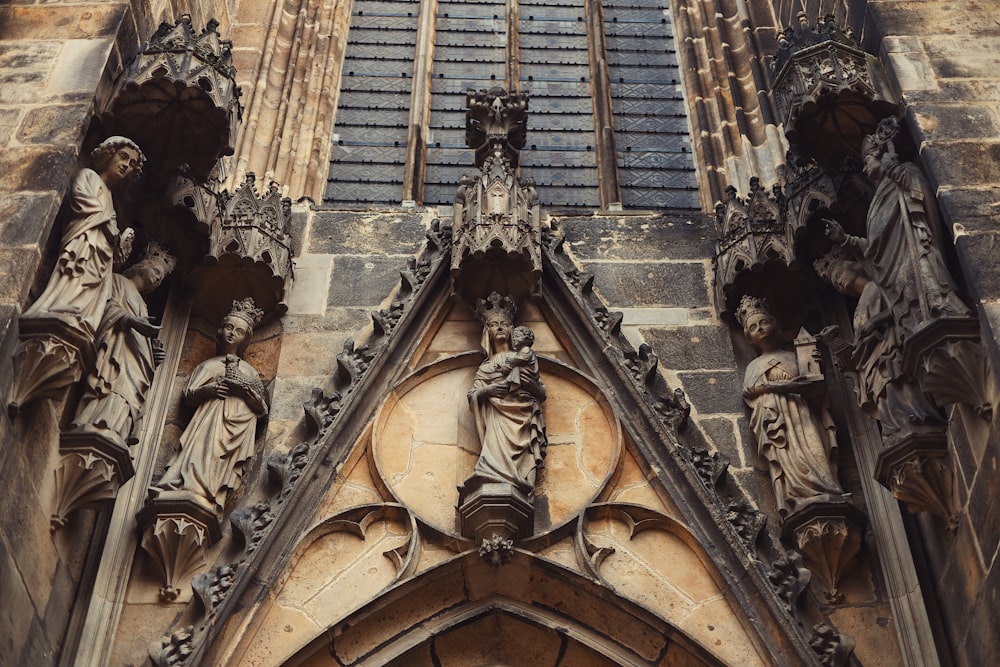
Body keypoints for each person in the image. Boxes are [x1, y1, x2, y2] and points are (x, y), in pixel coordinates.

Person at [824, 117, 969, 340]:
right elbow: (876, 246)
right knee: (910, 304)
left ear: (881, 157)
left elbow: (919, 192)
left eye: (868, 160)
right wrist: (846, 240)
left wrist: (893, 169)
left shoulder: (904, 172)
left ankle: (942, 314)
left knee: (929, 287)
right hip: (894, 266)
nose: (865, 167)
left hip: (915, 246)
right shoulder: (876, 200)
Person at [814, 252, 945, 444]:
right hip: (873, 362)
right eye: (835, 283)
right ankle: (897, 429)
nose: (838, 283)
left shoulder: (877, 287)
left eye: (838, 275)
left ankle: (918, 421)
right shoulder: (859, 306)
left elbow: (903, 305)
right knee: (885, 394)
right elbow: (862, 340)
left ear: (853, 266)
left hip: (890, 350)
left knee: (897, 385)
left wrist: (877, 320)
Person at [21, 136, 144, 340]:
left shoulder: (111, 197)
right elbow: (80, 199)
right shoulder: (89, 176)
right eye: (123, 157)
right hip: (83, 244)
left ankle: (81, 319)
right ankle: (61, 310)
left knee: (89, 289)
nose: (126, 166)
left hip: (99, 256)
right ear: (108, 155)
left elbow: (109, 232)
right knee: (73, 279)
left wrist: (119, 245)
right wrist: (108, 224)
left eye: (131, 164)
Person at [152, 298, 268, 514]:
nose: (232, 333)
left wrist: (247, 394)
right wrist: (210, 390)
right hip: (209, 420)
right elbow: (189, 395)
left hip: (237, 427)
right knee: (199, 455)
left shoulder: (250, 372)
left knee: (216, 462)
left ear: (245, 338)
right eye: (228, 327)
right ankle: (189, 487)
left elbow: (262, 409)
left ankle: (209, 494)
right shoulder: (209, 365)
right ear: (220, 329)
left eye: (239, 331)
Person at [738, 296, 847, 518]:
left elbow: (814, 387)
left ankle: (824, 488)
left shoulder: (791, 357)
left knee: (813, 448)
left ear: (775, 324)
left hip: (801, 412)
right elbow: (750, 390)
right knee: (789, 455)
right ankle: (798, 495)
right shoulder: (754, 365)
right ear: (749, 336)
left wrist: (817, 368)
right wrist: (785, 386)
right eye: (753, 327)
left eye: (764, 322)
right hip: (775, 416)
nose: (760, 329)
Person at [69, 243, 176, 447]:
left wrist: (152, 355)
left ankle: (116, 432)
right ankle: (96, 424)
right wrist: (132, 321)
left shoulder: (143, 305)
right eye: (156, 271)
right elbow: (104, 306)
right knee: (112, 388)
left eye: (161, 278)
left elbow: (141, 335)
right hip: (115, 353)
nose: (157, 279)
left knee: (127, 396)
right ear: (140, 265)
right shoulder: (118, 281)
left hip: (135, 363)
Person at [464, 294, 547, 498]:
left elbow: (541, 391)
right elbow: (474, 394)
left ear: (512, 330)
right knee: (494, 451)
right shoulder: (485, 366)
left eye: (504, 324)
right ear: (487, 332)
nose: (499, 327)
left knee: (523, 449)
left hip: (522, 411)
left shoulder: (522, 357)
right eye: (494, 324)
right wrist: (488, 391)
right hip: (496, 416)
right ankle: (492, 474)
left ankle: (521, 480)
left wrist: (524, 384)